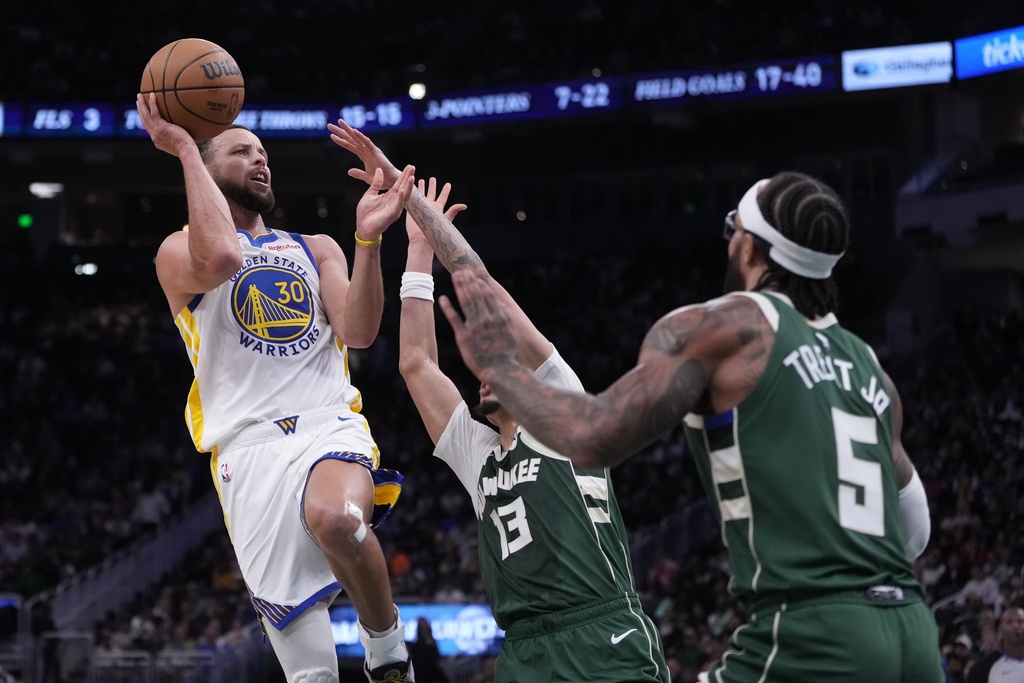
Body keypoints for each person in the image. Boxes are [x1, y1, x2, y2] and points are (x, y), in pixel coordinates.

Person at [439, 170, 944, 682]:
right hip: (911, 628)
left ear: (748, 248)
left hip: (816, 632)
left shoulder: (725, 326)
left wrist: (502, 369)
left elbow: (593, 437)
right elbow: (915, 529)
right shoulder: (866, 364)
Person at [327, 118, 670, 682]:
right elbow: (416, 363)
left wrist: (415, 207)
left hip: (602, 636)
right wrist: (416, 254)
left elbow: (476, 279)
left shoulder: (562, 410)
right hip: (523, 652)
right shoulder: (477, 453)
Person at [135, 93, 417, 683]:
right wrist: (186, 146)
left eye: (263, 153)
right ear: (208, 172)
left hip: (325, 424)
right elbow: (219, 259)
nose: (261, 161)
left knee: (336, 518)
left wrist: (368, 240)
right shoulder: (175, 253)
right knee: (310, 676)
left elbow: (360, 332)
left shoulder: (315, 248)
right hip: (247, 452)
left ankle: (387, 646)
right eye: (241, 152)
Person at [967, 606, 1024, 683]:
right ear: (1000, 629)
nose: (1015, 626)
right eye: (1009, 622)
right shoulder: (983, 668)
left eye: (1020, 621)